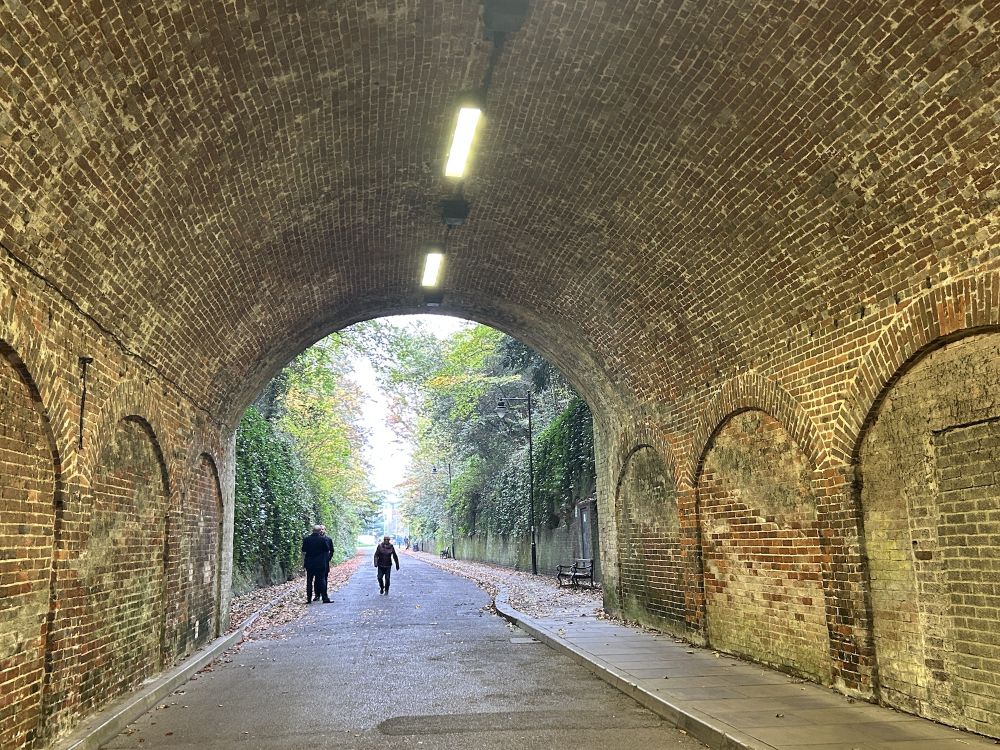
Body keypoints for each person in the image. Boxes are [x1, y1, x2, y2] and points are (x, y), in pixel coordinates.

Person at [302, 524, 333, 603]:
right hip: (320, 563)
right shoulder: (323, 540)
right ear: (319, 531)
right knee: (322, 580)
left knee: (309, 581)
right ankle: (325, 598)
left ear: (313, 530)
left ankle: (309, 599)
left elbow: (304, 550)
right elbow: (327, 549)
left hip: (310, 563)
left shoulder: (306, 539)